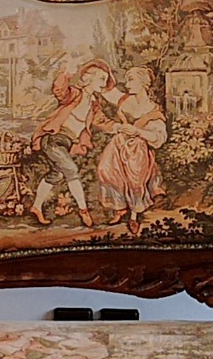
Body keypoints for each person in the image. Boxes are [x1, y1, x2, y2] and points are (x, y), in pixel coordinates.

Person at [31, 60, 112, 227]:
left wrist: (120, 128)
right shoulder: (75, 93)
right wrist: (64, 73)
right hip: (53, 139)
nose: (104, 84)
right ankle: (83, 210)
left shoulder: (94, 103)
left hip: (67, 143)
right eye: (101, 79)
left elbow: (103, 121)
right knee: (71, 170)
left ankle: (36, 207)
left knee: (57, 174)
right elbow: (60, 90)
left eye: (105, 80)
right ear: (89, 79)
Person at [94, 67, 168, 234]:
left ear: (144, 83)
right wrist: (98, 71)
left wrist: (138, 131)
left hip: (138, 148)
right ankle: (119, 207)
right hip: (119, 143)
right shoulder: (124, 99)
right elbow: (106, 90)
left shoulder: (153, 111)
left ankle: (134, 216)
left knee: (135, 180)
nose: (127, 85)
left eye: (131, 80)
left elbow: (159, 137)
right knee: (105, 170)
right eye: (127, 80)